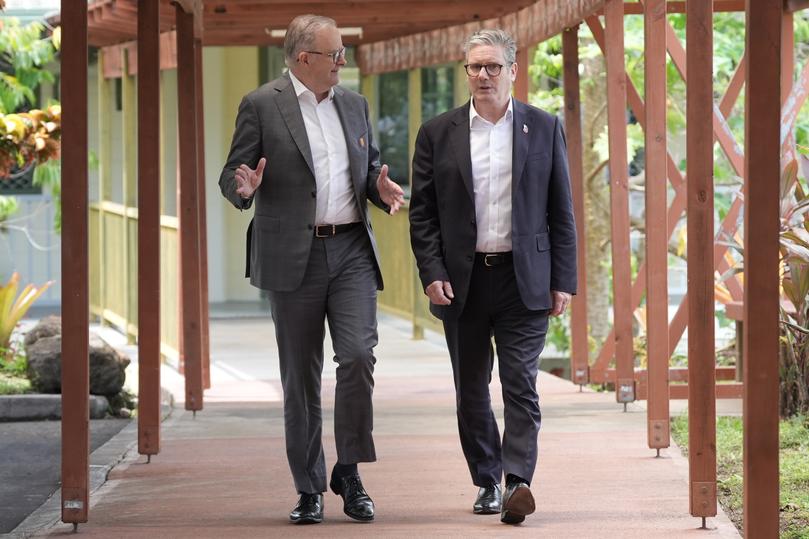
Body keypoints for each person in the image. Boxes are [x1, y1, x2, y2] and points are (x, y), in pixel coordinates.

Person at [218, 14, 404, 525]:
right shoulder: (262, 104)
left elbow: (365, 172)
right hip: (291, 257)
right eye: (336, 53)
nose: (344, 60)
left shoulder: (354, 104)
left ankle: (349, 470)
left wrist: (379, 188)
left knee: (360, 356)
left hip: (350, 252)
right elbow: (231, 176)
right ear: (305, 58)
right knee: (300, 377)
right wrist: (244, 188)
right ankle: (308, 487)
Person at [409, 28, 577, 525]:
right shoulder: (437, 133)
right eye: (474, 67)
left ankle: (517, 481)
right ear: (466, 73)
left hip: (524, 277)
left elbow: (560, 210)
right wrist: (431, 271)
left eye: (492, 67)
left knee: (520, 382)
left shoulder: (543, 127)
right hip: (462, 281)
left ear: (513, 71)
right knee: (472, 387)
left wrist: (562, 279)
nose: (483, 75)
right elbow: (424, 214)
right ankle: (486, 478)